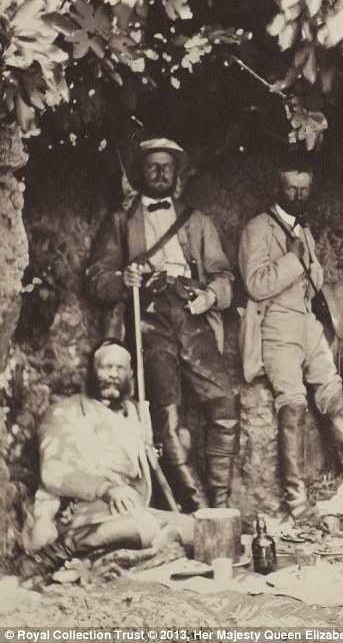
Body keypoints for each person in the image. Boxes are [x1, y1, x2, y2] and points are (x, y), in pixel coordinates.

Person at [87, 138, 239, 512]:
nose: (159, 172)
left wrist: (211, 296)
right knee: (165, 417)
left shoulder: (198, 222)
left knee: (224, 405)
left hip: (191, 313)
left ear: (176, 174)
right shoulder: (120, 220)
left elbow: (224, 277)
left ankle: (221, 509)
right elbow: (96, 277)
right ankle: (199, 511)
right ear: (141, 172)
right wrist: (124, 280)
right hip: (147, 316)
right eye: (152, 166)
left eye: (166, 166)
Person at [238, 165, 343, 520]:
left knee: (332, 387)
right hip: (277, 325)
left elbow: (314, 278)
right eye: (291, 188)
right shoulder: (257, 228)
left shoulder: (305, 229)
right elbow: (256, 284)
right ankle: (296, 499)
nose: (298, 195)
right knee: (292, 403)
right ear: (278, 187)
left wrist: (306, 263)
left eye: (304, 189)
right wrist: (294, 258)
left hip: (307, 322)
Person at [21, 341, 192, 577]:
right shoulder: (66, 412)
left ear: (130, 374)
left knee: (194, 528)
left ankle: (144, 541)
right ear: (92, 370)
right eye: (106, 367)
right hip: (79, 516)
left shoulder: (132, 413)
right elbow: (55, 472)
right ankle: (59, 551)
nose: (113, 374)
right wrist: (105, 489)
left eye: (120, 368)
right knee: (144, 528)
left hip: (129, 514)